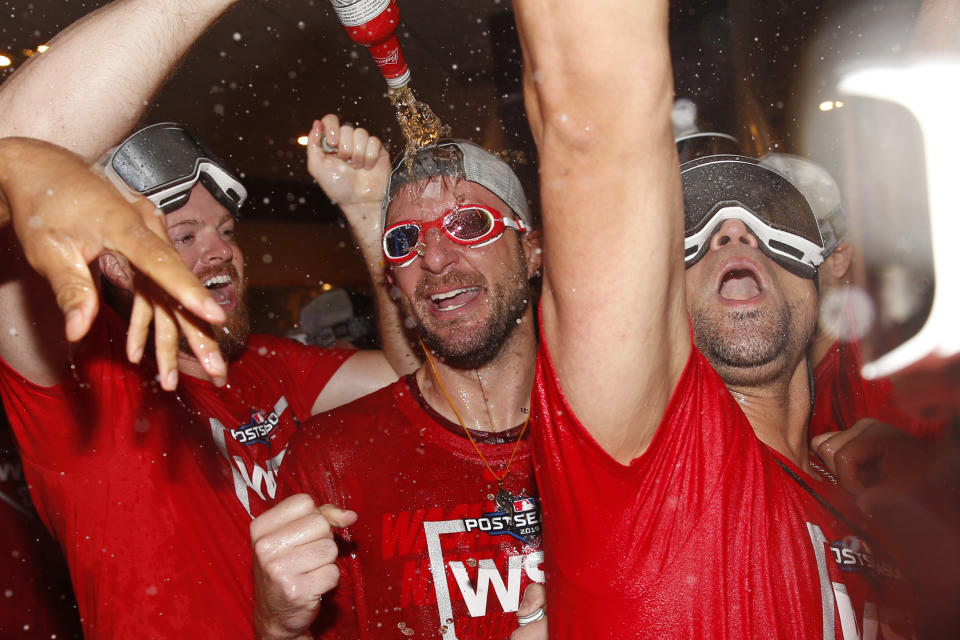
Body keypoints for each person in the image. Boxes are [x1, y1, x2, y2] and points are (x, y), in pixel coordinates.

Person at [0, 3, 413, 638]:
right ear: (115, 260)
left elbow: (411, 386)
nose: (218, 249)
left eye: (224, 230)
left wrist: (365, 211)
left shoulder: (265, 367)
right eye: (184, 235)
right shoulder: (84, 390)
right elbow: (11, 139)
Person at [512, 0, 916, 637]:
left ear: (823, 273)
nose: (732, 230)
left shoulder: (888, 508)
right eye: (693, 224)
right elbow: (594, 115)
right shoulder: (645, 464)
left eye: (770, 216)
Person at [250, 128, 547, 640]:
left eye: (468, 224)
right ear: (393, 282)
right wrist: (277, 628)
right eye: (405, 241)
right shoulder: (333, 460)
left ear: (531, 250)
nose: (434, 258)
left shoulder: (615, 426)